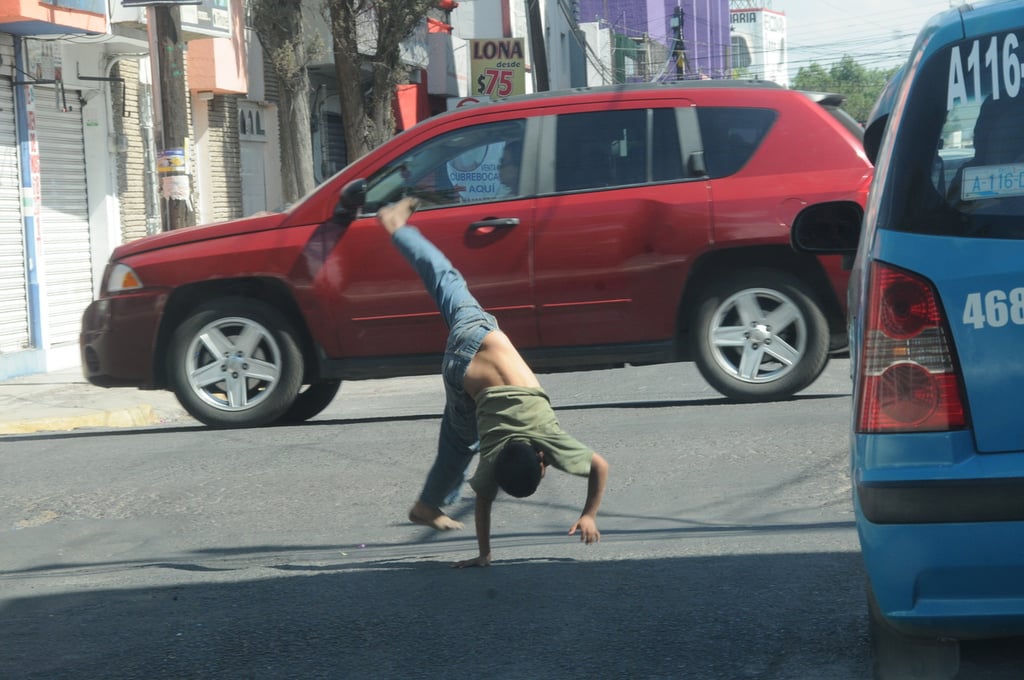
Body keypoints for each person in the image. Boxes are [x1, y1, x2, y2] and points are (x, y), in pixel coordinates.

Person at [376, 197, 609, 568]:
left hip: (478, 334)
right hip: (459, 372)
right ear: (538, 456)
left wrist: (590, 513)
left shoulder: (549, 438)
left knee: (445, 277)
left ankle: (398, 228)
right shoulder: (494, 459)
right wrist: (483, 554)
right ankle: (427, 504)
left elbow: (599, 465)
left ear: (539, 455)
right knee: (461, 437)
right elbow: (483, 502)